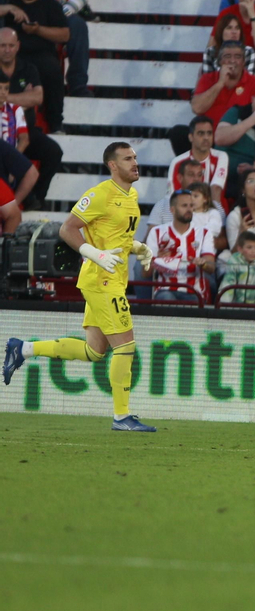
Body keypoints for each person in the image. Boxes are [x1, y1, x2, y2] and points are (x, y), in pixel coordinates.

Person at [3, 142, 154, 430]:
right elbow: (66, 229)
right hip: (101, 280)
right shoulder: (99, 194)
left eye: (135, 157)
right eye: (127, 159)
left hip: (114, 279)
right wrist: (94, 254)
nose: (135, 163)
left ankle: (23, 349)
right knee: (125, 345)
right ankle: (122, 417)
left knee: (94, 351)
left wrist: (137, 247)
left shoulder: (131, 195)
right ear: (112, 165)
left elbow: (113, 238)